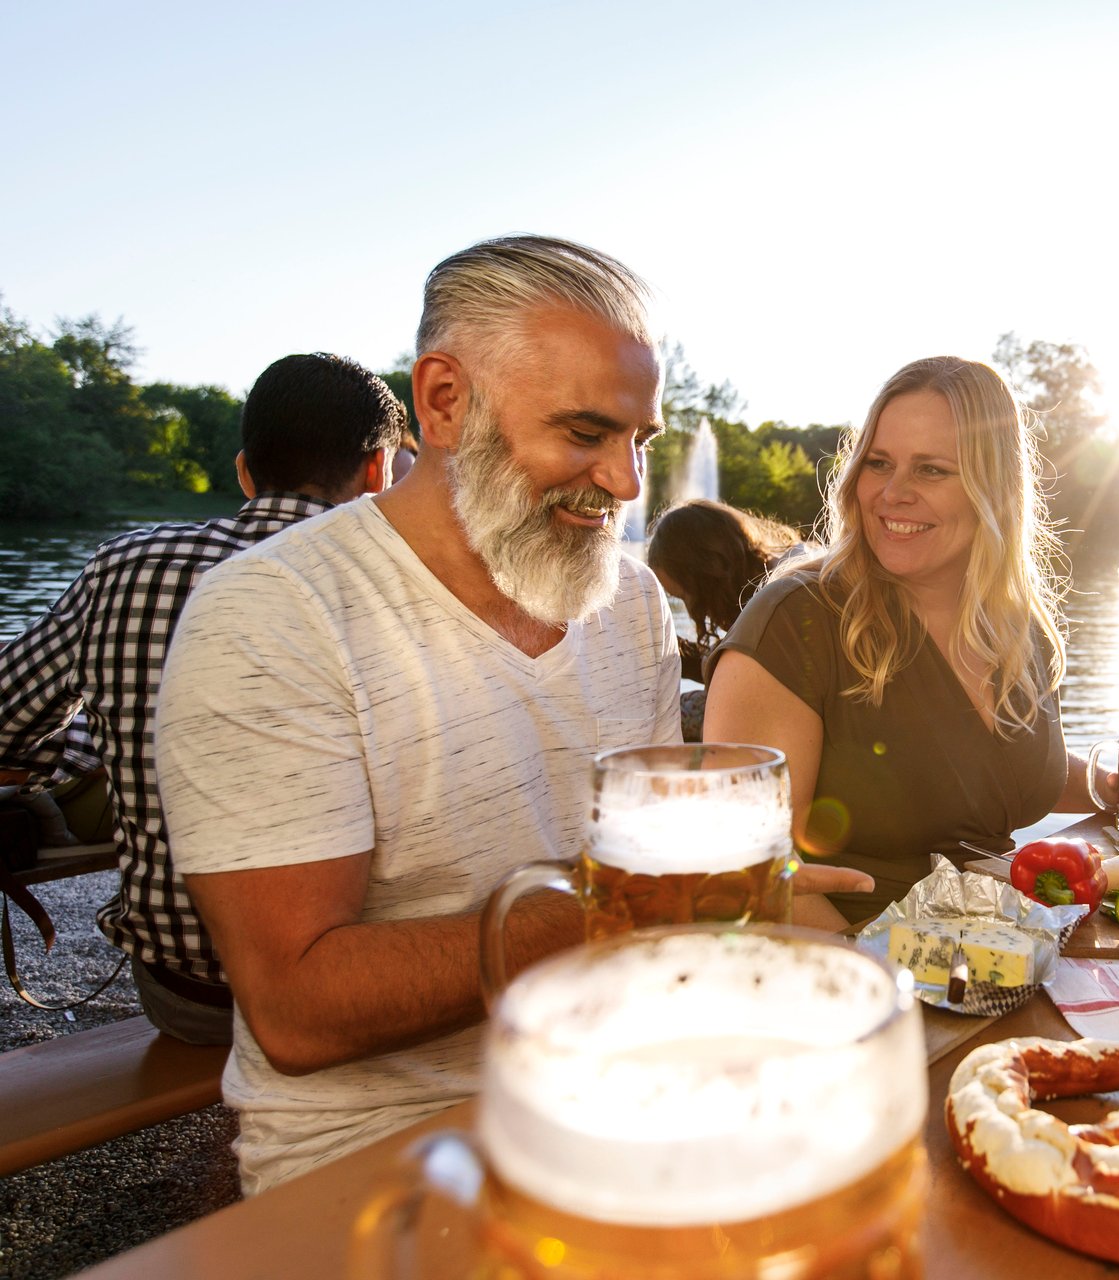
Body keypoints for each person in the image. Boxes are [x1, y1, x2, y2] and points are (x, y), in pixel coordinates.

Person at [154, 236, 867, 1193]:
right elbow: (297, 1011)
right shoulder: (271, 613)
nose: (624, 483)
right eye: (584, 433)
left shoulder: (629, 601)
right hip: (380, 1148)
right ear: (444, 401)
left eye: (641, 442)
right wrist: (632, 905)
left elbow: (658, 871)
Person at [704, 355, 1119, 930]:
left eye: (931, 470)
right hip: (852, 969)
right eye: (878, 463)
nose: (892, 493)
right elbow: (746, 872)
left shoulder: (1017, 626)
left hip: (1005, 951)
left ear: (993, 488)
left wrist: (1115, 785)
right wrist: (883, 981)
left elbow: (993, 770)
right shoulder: (796, 622)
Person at [0, 353, 406, 1043]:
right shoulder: (413, 587)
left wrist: (87, 747)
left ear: (245, 470)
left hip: (191, 999)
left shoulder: (126, 566)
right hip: (381, 990)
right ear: (377, 473)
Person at [645, 498, 811, 740]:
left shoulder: (785, 598)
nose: (694, 611)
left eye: (685, 596)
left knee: (671, 716)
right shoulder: (779, 574)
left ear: (707, 577)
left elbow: (753, 685)